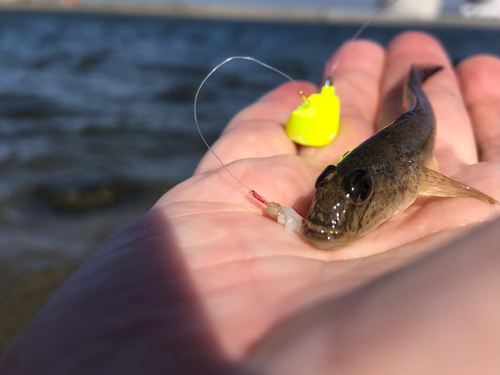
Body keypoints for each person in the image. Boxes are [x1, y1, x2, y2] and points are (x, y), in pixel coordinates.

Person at [1, 31, 498, 375]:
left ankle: (418, 81)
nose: (329, 211)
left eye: (362, 189)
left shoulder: (415, 174)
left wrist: (481, 199)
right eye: (334, 183)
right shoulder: (345, 186)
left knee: (419, 103)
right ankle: (414, 79)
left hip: (407, 137)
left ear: (412, 180)